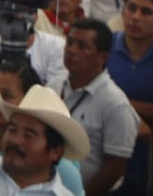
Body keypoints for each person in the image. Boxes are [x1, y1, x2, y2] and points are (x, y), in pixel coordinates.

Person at [45, 18, 139, 195]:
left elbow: (115, 166)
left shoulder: (115, 103)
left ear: (101, 57)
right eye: (70, 42)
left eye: (82, 46)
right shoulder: (54, 85)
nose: (71, 50)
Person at [108, 0, 153, 196]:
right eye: (131, 8)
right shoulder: (103, 46)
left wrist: (119, 104)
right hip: (103, 161)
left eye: (146, 12)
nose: (136, 17)